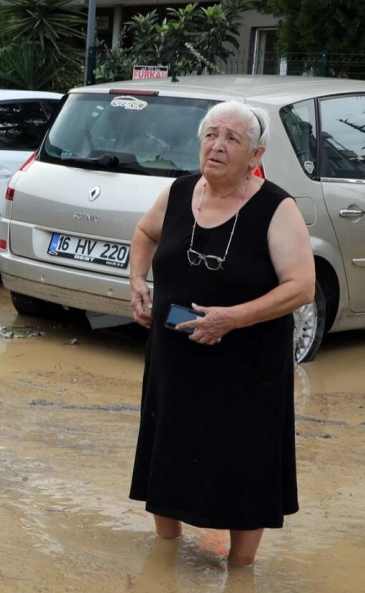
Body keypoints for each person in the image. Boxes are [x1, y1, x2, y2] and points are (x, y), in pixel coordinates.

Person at [127, 100, 314, 567]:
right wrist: (136, 283)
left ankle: (240, 570)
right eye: (212, 134)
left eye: (232, 138)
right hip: (175, 357)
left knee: (243, 463)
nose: (218, 145)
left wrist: (231, 318)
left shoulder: (276, 207)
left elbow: (302, 287)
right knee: (167, 449)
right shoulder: (179, 192)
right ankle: (165, 556)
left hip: (246, 366)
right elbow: (145, 235)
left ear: (256, 155)